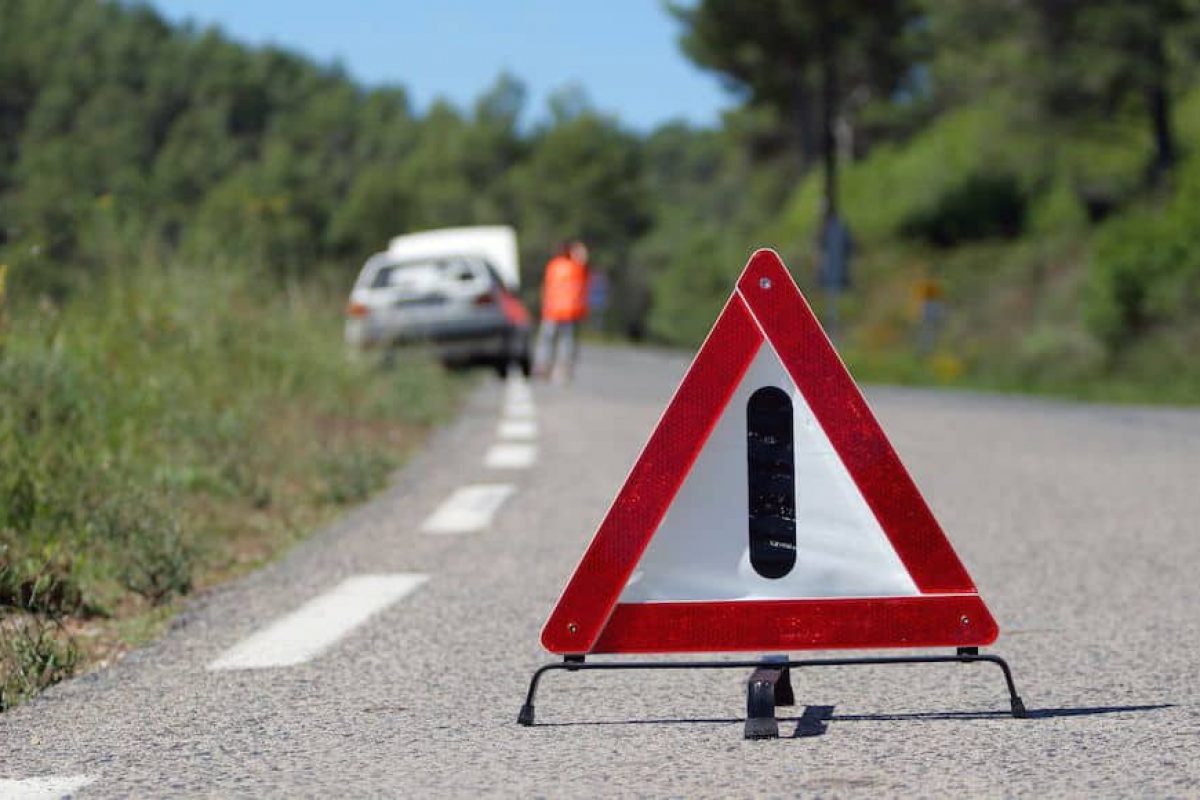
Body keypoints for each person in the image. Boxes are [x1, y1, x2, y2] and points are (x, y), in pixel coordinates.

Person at [535, 240, 589, 382]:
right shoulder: (576, 267)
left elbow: (545, 287)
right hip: (567, 311)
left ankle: (543, 366)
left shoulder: (554, 265)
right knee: (565, 342)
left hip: (553, 310)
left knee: (548, 340)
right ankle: (562, 368)